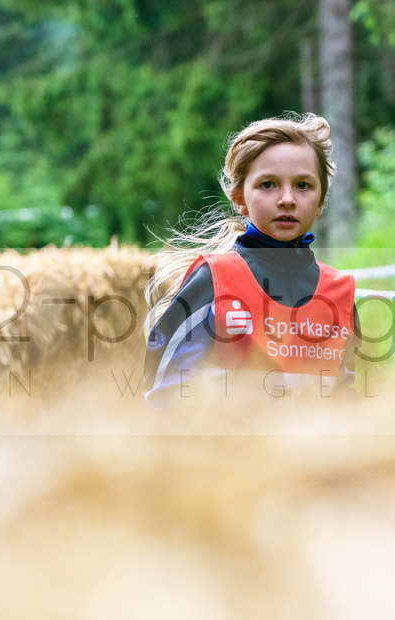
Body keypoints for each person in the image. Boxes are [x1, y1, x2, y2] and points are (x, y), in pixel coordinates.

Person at [143, 113, 358, 409]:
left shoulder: (339, 292)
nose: (287, 199)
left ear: (321, 201)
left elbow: (344, 398)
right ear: (239, 197)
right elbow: (166, 392)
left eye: (303, 185)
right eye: (268, 185)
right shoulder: (215, 278)